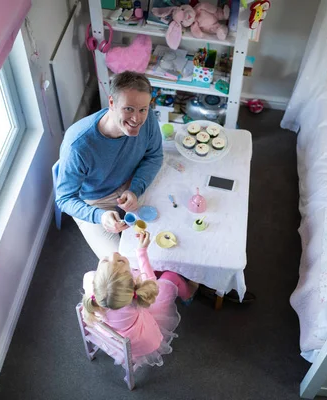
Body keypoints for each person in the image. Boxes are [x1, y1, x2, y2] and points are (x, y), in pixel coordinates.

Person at [56, 71, 163, 258]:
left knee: (165, 244)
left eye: (142, 109)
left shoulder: (149, 118)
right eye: (128, 108)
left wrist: (135, 189)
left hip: (130, 181)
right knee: (124, 269)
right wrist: (99, 216)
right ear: (111, 103)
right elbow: (64, 199)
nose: (137, 119)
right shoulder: (78, 145)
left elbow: (154, 156)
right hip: (95, 201)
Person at [82, 231, 198, 366]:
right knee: (171, 277)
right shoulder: (136, 302)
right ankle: (188, 296)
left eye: (106, 260)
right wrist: (141, 251)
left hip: (114, 335)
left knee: (147, 275)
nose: (114, 254)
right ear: (132, 289)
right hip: (143, 339)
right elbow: (151, 284)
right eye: (119, 260)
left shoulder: (89, 279)